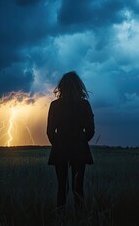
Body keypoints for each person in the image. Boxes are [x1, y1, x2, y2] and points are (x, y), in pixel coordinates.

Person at [47, 71, 95, 210]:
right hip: (79, 150)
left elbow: (50, 131)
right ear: (78, 86)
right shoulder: (84, 104)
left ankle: (60, 217)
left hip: (60, 150)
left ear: (62, 87)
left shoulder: (55, 105)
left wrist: (58, 145)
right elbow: (91, 130)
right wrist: (80, 141)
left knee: (62, 187)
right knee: (78, 188)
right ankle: (80, 218)